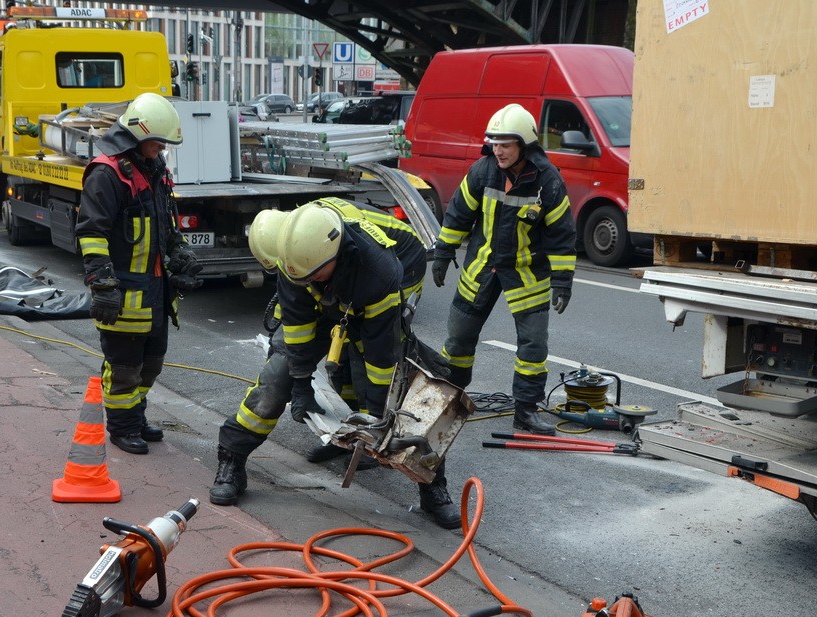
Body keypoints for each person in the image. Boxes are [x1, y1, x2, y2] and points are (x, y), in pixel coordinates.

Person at [210, 197, 463, 529]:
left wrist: (377, 415)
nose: (307, 283)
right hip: (339, 283)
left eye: (315, 277)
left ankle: (433, 491)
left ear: (334, 256)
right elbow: (299, 330)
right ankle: (232, 462)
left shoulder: (378, 270)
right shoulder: (296, 257)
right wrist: (299, 384)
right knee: (275, 381)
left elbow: (381, 353)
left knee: (398, 392)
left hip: (402, 265)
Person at [430, 103, 576, 434]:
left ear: (524, 144)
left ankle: (525, 411)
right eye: (494, 143)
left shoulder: (548, 183)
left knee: (533, 346)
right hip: (480, 269)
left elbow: (563, 236)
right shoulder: (482, 172)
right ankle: (448, 402)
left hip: (526, 273)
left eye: (505, 144)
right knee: (457, 342)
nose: (498, 150)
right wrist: (443, 253)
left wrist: (563, 282)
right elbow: (457, 216)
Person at [75, 92, 201, 455]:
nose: (161, 148)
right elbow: (92, 233)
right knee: (124, 365)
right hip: (124, 289)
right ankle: (122, 426)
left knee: (152, 362)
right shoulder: (107, 174)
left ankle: (135, 415)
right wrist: (102, 284)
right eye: (156, 141)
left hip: (156, 288)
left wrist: (180, 253)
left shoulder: (154, 168)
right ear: (135, 135)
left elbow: (166, 224)